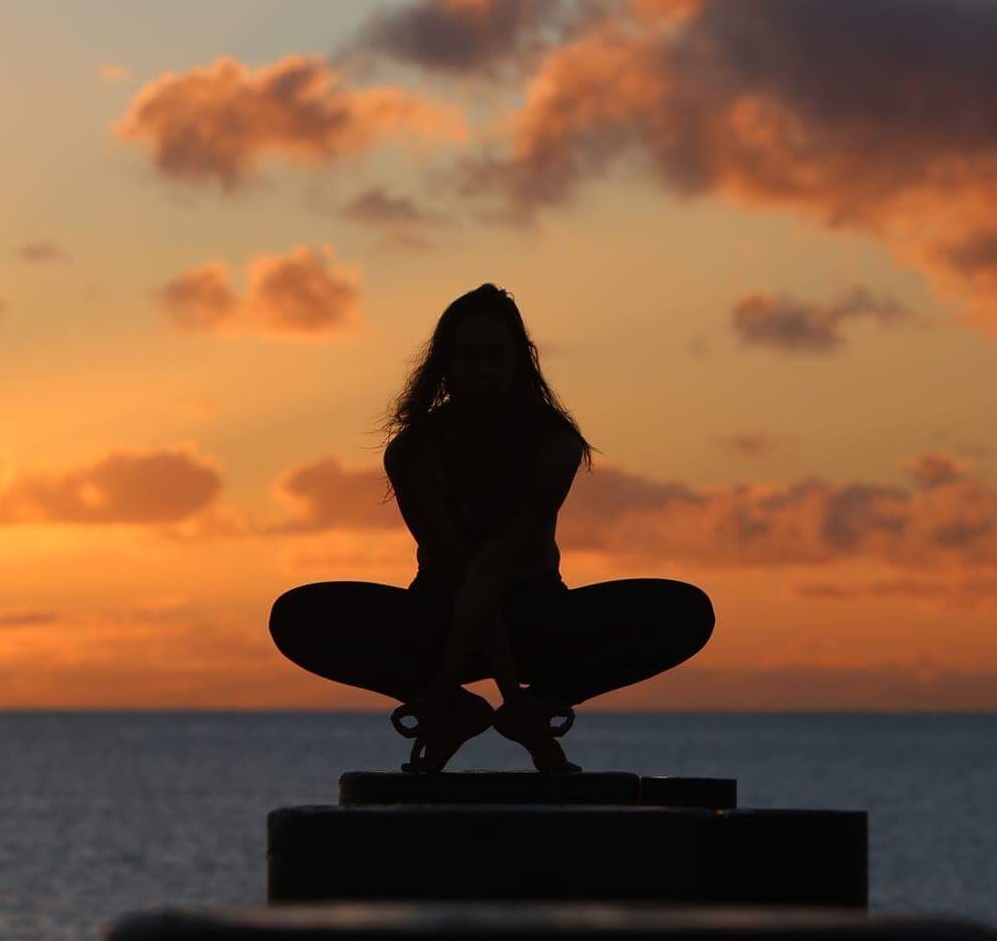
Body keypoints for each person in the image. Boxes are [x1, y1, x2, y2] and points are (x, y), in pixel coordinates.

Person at [268, 284, 714, 774]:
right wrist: (452, 696)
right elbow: (463, 573)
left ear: (518, 362)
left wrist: (528, 714)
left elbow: (499, 564)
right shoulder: (413, 452)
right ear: (446, 365)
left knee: (687, 611)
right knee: (295, 617)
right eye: (467, 356)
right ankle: (463, 708)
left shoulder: (554, 443)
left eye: (494, 355)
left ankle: (544, 700)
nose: (481, 368)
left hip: (538, 620)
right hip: (439, 618)